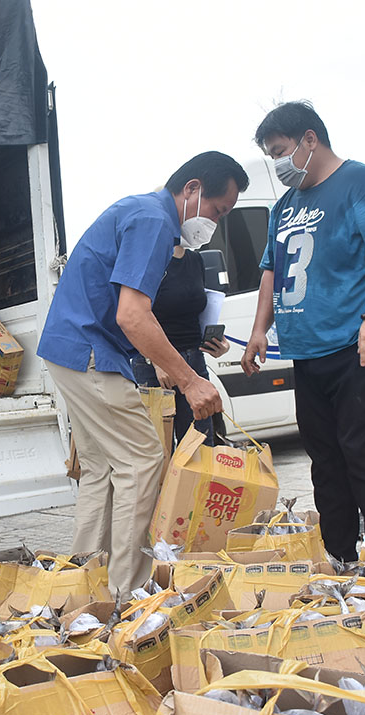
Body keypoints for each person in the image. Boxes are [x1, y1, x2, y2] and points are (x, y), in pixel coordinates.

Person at [37, 151, 248, 594]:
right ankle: (124, 594)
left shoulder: (137, 211)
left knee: (100, 470)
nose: (215, 222)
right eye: (217, 210)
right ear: (192, 189)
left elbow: (128, 313)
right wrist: (191, 380)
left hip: (69, 348)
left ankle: (83, 588)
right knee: (142, 460)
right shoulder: (153, 220)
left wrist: (163, 361)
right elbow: (134, 314)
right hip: (89, 351)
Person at [240, 102, 365, 562]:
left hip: (361, 344)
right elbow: (271, 272)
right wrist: (260, 330)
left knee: (363, 449)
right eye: (270, 155)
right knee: (326, 458)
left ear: (310, 139)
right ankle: (341, 554)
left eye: (280, 151)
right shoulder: (284, 207)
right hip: (308, 350)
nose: (278, 164)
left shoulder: (362, 184)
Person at [129, 245, 230, 447]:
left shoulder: (195, 260)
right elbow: (134, 317)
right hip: (155, 366)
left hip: (194, 361)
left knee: (200, 445)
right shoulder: (150, 259)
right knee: (159, 450)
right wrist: (157, 362)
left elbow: (195, 310)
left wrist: (217, 342)